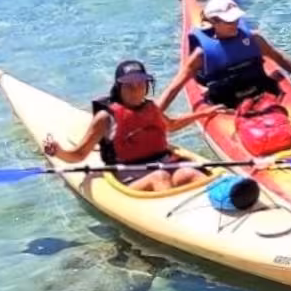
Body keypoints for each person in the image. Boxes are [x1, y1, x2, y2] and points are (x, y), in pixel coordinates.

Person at [42, 60, 216, 192]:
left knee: (190, 172)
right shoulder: (105, 118)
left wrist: (202, 114)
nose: (135, 89)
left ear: (147, 86)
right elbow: (79, 155)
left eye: (140, 84)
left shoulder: (151, 107)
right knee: (159, 177)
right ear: (119, 88)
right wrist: (58, 152)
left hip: (164, 165)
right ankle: (174, 226)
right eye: (129, 85)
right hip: (131, 175)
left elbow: (171, 125)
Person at [161, 0, 291, 112]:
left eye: (236, 19)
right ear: (214, 21)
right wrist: (154, 114)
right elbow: (174, 87)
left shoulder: (254, 39)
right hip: (227, 105)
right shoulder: (201, 54)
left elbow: (279, 58)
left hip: (261, 92)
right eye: (229, 21)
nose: (235, 24)